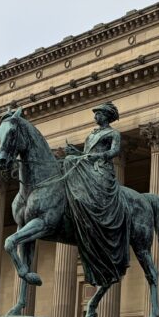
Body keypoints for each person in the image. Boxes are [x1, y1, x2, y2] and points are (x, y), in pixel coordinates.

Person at [61, 101, 129, 293]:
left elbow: (115, 151)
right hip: (88, 167)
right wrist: (77, 153)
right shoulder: (91, 134)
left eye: (98, 113)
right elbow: (85, 153)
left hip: (101, 170)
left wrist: (99, 156)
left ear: (106, 116)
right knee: (67, 160)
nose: (96, 116)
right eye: (96, 113)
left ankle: (103, 222)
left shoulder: (113, 133)